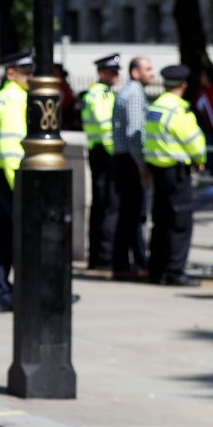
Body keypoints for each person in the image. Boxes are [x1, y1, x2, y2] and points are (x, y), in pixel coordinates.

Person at [144, 64, 207, 286]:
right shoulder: (178, 110)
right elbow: (195, 143)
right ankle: (175, 272)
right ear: (183, 85)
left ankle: (156, 270)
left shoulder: (155, 106)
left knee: (160, 221)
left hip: (158, 170)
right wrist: (200, 160)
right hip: (176, 172)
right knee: (180, 223)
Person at [0, 51, 32, 312]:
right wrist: (20, 186)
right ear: (11, 73)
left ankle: (1, 292)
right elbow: (11, 147)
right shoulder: (15, 99)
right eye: (26, 73)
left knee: (2, 238)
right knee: (25, 238)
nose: (31, 77)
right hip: (10, 177)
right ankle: (31, 293)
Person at [111, 56, 155, 280]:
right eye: (148, 69)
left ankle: (121, 264)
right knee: (135, 215)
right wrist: (142, 166)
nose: (152, 73)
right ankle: (139, 262)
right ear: (135, 72)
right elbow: (135, 134)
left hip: (122, 159)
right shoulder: (135, 94)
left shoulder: (126, 91)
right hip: (130, 161)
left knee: (126, 215)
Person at [82, 54, 122, 270]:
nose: (116, 76)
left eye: (117, 71)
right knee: (107, 204)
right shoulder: (98, 93)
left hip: (100, 151)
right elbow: (104, 122)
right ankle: (103, 256)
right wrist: (114, 147)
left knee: (103, 204)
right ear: (101, 73)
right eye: (112, 72)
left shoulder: (103, 92)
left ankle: (99, 256)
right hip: (104, 153)